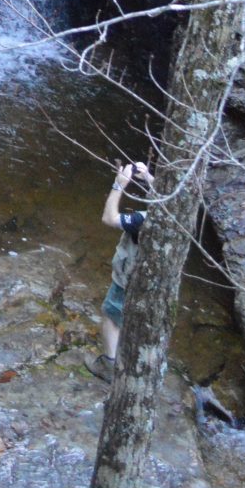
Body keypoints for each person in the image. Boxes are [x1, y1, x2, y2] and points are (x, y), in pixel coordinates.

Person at [93, 159, 154, 377]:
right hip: (154, 283)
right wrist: (147, 178)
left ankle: (109, 364)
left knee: (111, 314)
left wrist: (119, 184)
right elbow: (170, 200)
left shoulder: (142, 221)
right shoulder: (182, 212)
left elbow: (109, 218)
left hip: (129, 279)